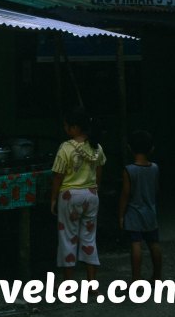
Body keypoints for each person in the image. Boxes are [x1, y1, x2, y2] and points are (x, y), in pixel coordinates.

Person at [50, 106, 106, 280]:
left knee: (68, 238)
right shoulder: (96, 147)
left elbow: (58, 177)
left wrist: (53, 199)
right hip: (91, 195)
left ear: (74, 128)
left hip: (69, 196)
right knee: (89, 238)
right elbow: (99, 172)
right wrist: (95, 190)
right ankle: (92, 283)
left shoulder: (65, 148)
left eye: (67, 126)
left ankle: (68, 284)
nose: (65, 129)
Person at [119, 130, 162, 281]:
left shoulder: (129, 170)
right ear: (151, 149)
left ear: (130, 148)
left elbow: (125, 194)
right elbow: (156, 189)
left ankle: (136, 279)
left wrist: (121, 214)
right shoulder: (155, 168)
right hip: (150, 211)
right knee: (154, 244)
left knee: (135, 244)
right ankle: (157, 276)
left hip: (134, 212)